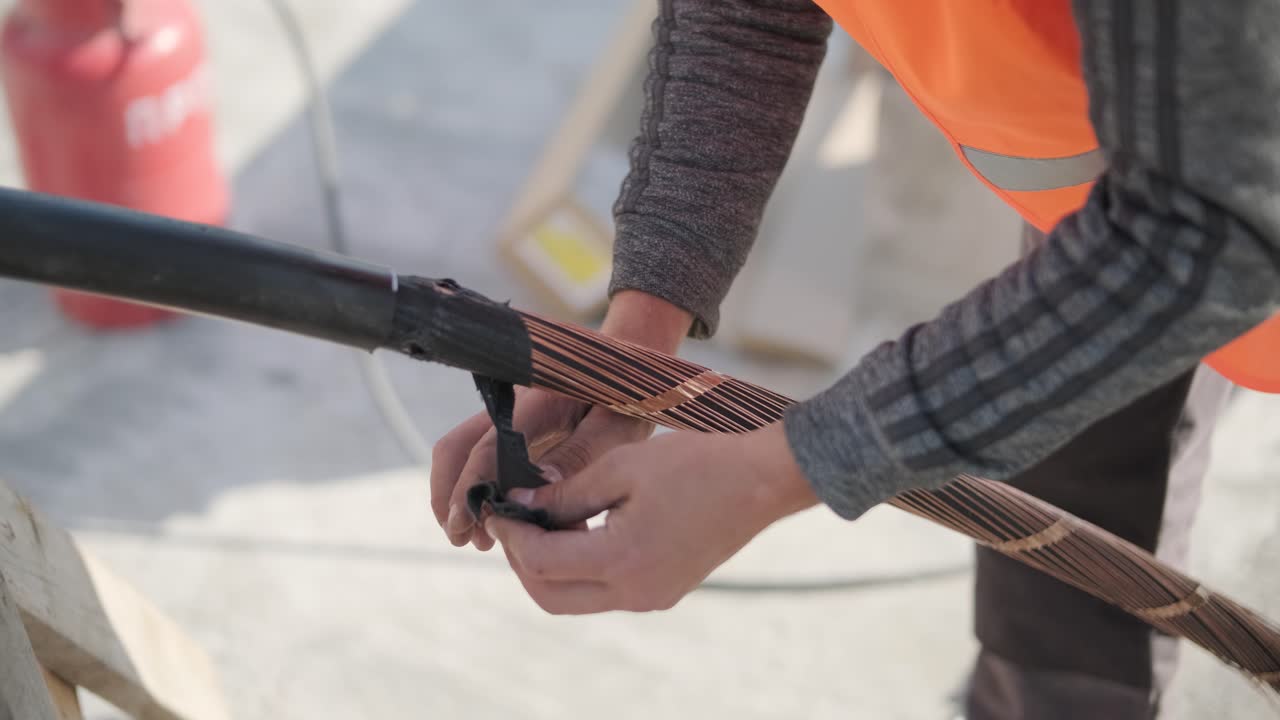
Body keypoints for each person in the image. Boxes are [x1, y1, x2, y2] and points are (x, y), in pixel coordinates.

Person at [430, 1, 1280, 718]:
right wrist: (633, 341)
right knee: (1063, 592)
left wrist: (777, 470)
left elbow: (1207, 230)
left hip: (1195, 221)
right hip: (1116, 214)